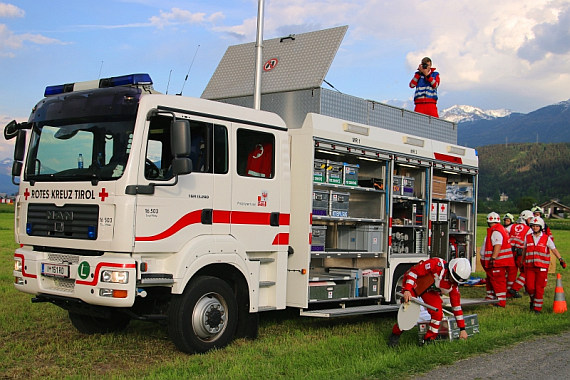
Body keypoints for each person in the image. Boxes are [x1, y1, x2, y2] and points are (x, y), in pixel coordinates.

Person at [388, 257, 471, 347]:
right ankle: (395, 335)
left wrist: (462, 329)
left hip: (429, 291)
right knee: (408, 313)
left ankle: (428, 340)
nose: (453, 281)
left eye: (456, 281)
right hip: (415, 283)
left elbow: (456, 307)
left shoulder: (453, 286)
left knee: (437, 314)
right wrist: (407, 289)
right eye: (453, 278)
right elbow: (413, 272)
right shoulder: (435, 264)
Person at [522, 216, 566, 313]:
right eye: (533, 226)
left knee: (539, 288)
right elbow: (525, 250)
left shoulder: (546, 238)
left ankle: (537, 308)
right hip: (529, 266)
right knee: (530, 287)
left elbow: (554, 249)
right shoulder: (528, 237)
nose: (535, 228)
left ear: (541, 227)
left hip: (541, 267)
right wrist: (522, 261)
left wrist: (560, 259)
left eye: (537, 226)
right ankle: (533, 301)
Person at [480, 212, 514, 307]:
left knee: (498, 281)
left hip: (497, 262)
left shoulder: (495, 231)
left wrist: (493, 257)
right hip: (495, 261)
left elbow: (497, 245)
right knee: (491, 279)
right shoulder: (499, 229)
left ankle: (500, 301)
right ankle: (491, 296)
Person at [507, 210, 533, 298]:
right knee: (526, 272)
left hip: (511, 252)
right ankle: (514, 288)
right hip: (521, 254)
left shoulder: (512, 226)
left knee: (511, 273)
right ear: (525, 218)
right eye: (530, 218)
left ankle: (509, 292)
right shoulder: (529, 229)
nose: (531, 221)